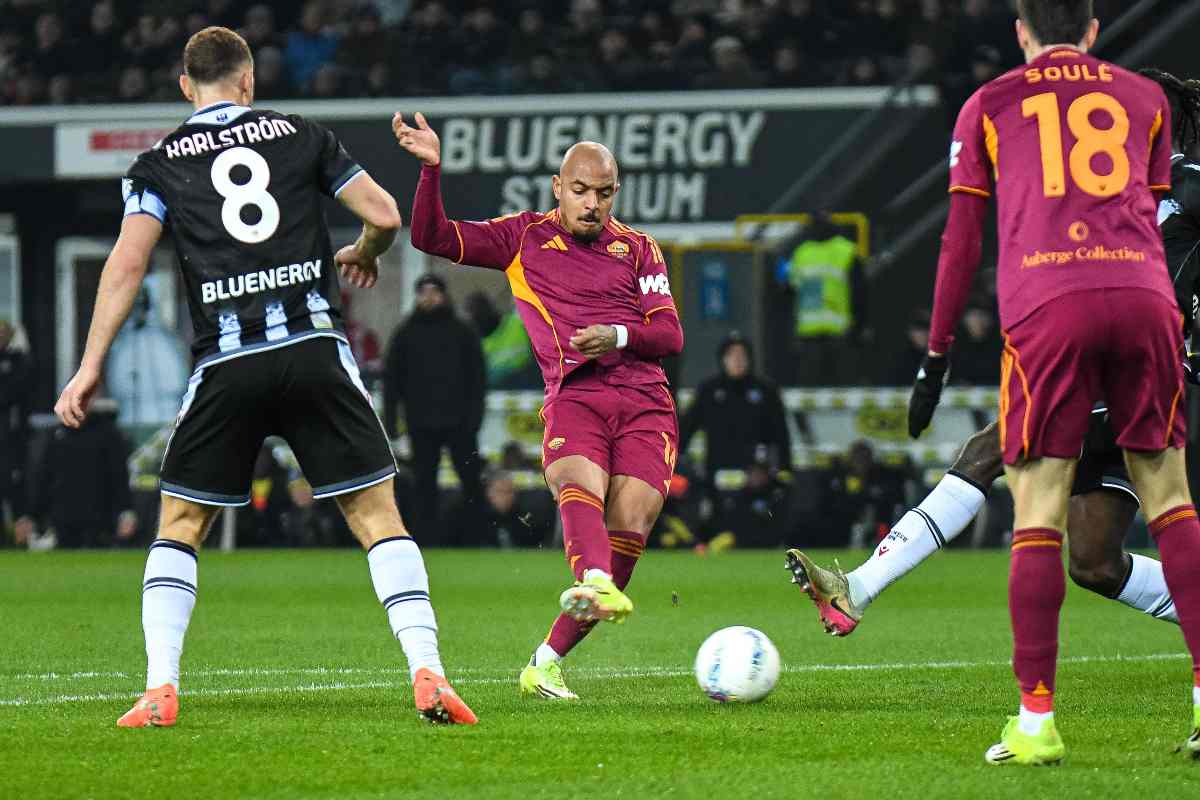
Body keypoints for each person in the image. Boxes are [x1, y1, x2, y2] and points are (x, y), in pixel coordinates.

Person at [803, 4, 1200, 766]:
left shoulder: (996, 103)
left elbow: (962, 239)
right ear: (1090, 30)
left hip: (1062, 309)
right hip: (1145, 322)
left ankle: (1032, 717)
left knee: (1025, 493)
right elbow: (1151, 231)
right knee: (1103, 550)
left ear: (1021, 31)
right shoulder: (1141, 110)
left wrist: (936, 359)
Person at [53, 27, 475, 727]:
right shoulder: (301, 133)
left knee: (182, 523)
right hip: (312, 349)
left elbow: (126, 264)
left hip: (227, 360)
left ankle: (161, 688)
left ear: (186, 87)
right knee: (376, 517)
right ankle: (427, 672)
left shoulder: (157, 165)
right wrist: (364, 251)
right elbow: (384, 214)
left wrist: (90, 365)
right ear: (248, 82)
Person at [395, 114, 683, 700]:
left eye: (604, 193)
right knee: (577, 485)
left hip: (646, 402)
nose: (592, 204)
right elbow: (433, 237)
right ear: (558, 187)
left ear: (615, 193)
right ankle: (594, 578)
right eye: (580, 191)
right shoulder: (522, 237)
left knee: (633, 523)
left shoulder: (639, 249)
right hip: (576, 395)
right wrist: (431, 170)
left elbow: (670, 335)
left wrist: (618, 336)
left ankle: (545, 662)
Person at [383, 273, 486, 540]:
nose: (429, 298)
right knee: (423, 485)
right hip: (421, 423)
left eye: (434, 292)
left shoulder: (463, 332)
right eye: (424, 293)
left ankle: (478, 537)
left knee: (471, 481)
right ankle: (425, 539)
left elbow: (478, 379)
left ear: (444, 295)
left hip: (460, 423)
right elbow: (391, 381)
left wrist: (475, 418)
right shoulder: (405, 334)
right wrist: (392, 422)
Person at [679, 334, 792, 476]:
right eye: (731, 355)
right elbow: (687, 428)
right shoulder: (709, 390)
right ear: (723, 359)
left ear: (749, 359)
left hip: (756, 475)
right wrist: (674, 461)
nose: (737, 360)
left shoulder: (766, 391)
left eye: (742, 355)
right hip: (716, 473)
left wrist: (784, 470)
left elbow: (781, 435)